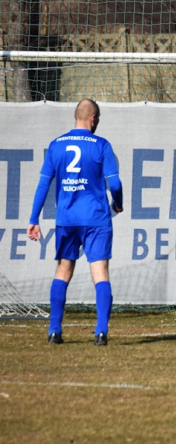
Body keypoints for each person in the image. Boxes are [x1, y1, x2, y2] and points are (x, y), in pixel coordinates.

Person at [27, 99, 124, 346]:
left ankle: (54, 331)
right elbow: (115, 184)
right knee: (100, 272)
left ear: (75, 116)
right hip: (96, 219)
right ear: (93, 119)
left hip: (67, 219)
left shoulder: (56, 145)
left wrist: (33, 219)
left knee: (63, 270)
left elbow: (43, 185)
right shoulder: (101, 145)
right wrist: (118, 202)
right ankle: (101, 331)